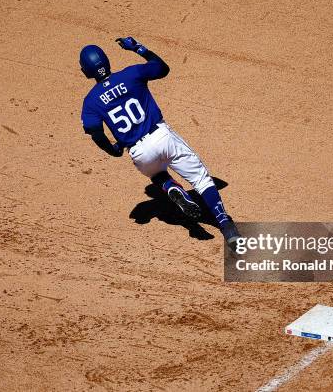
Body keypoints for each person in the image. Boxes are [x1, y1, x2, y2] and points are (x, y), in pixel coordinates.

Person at [79, 36, 240, 249]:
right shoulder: (131, 74)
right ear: (107, 61)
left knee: (156, 174)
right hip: (162, 137)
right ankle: (226, 226)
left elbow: (95, 133)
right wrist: (138, 48)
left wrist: (114, 149)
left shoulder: (90, 101)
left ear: (86, 72)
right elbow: (162, 68)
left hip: (139, 152)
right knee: (201, 179)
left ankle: (170, 186)